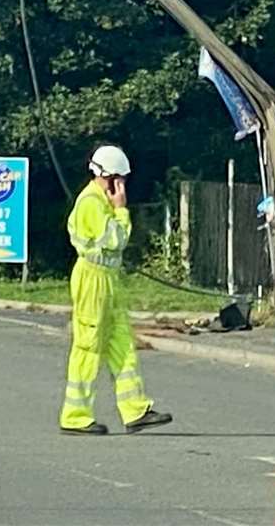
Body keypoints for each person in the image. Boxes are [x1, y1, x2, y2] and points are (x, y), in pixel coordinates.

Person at [58, 144, 173, 435]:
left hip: (108, 279)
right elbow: (116, 239)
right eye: (118, 180)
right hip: (92, 280)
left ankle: (135, 410)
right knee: (88, 347)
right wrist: (121, 211)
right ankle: (75, 415)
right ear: (107, 177)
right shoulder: (91, 203)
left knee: (121, 342)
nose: (122, 186)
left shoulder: (100, 201)